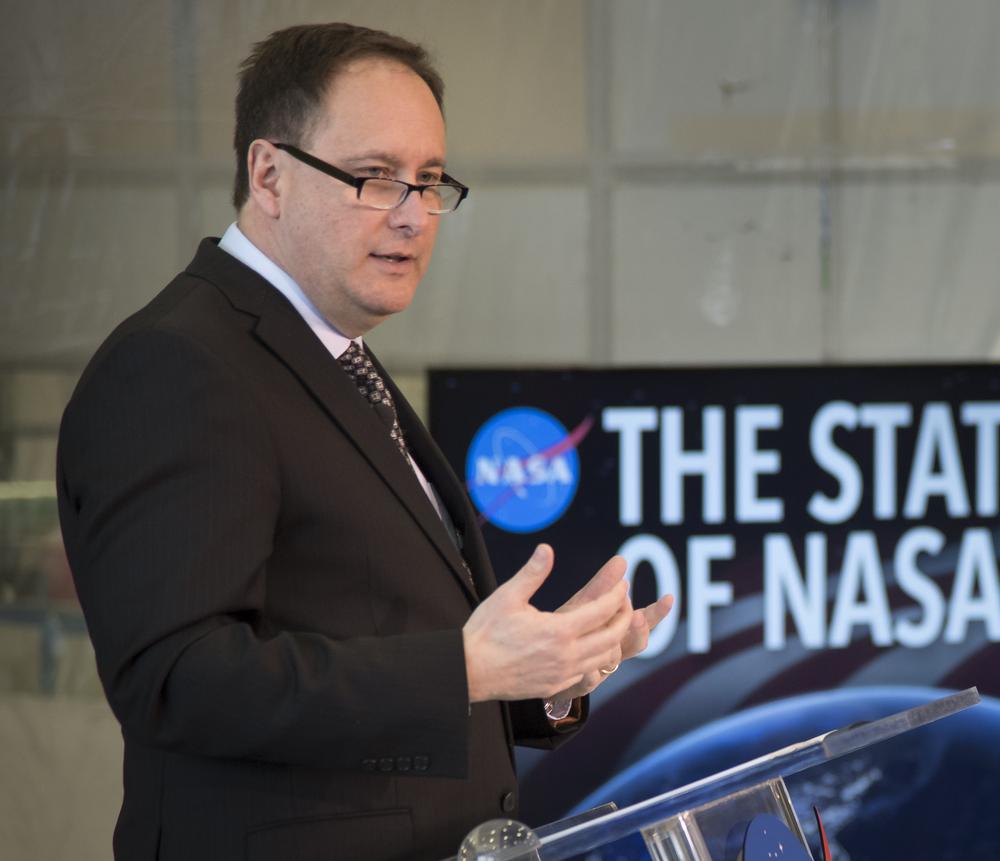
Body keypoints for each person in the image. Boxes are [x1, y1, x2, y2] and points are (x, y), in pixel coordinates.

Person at [56, 22, 673, 861]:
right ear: (268, 175)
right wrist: (465, 667)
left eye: (429, 181)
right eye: (376, 178)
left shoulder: (332, 355)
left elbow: (377, 634)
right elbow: (177, 679)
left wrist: (545, 673)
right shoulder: (178, 364)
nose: (414, 215)